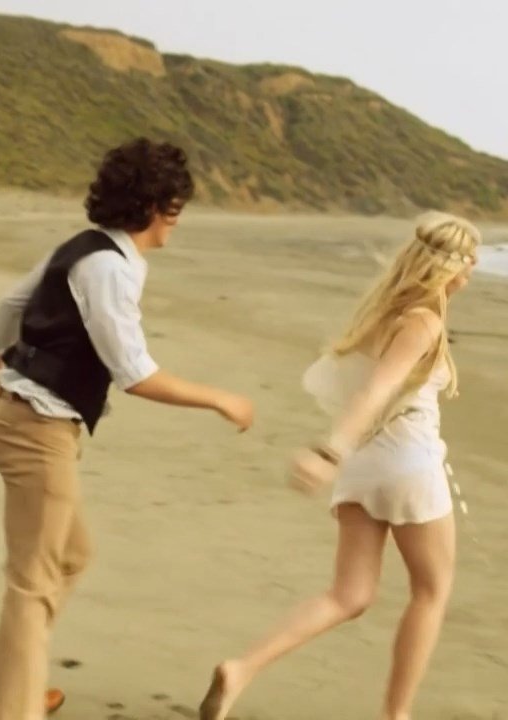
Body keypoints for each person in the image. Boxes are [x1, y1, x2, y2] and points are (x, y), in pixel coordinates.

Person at [0, 136, 255, 720]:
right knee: (36, 578)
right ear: (152, 206)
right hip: (37, 429)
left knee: (71, 557)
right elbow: (134, 373)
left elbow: (12, 304)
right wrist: (220, 398)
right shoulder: (109, 270)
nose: (177, 219)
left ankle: (9, 677)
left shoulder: (85, 248)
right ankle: (12, 707)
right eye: (174, 206)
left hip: (27, 419)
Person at [198, 211, 481, 720]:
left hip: (364, 467)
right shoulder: (424, 321)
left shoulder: (382, 314)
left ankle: (241, 669)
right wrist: (328, 451)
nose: (474, 268)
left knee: (349, 595)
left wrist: (339, 454)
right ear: (450, 267)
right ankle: (396, 715)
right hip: (408, 465)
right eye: (470, 259)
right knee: (431, 592)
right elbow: (377, 391)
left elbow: (356, 388)